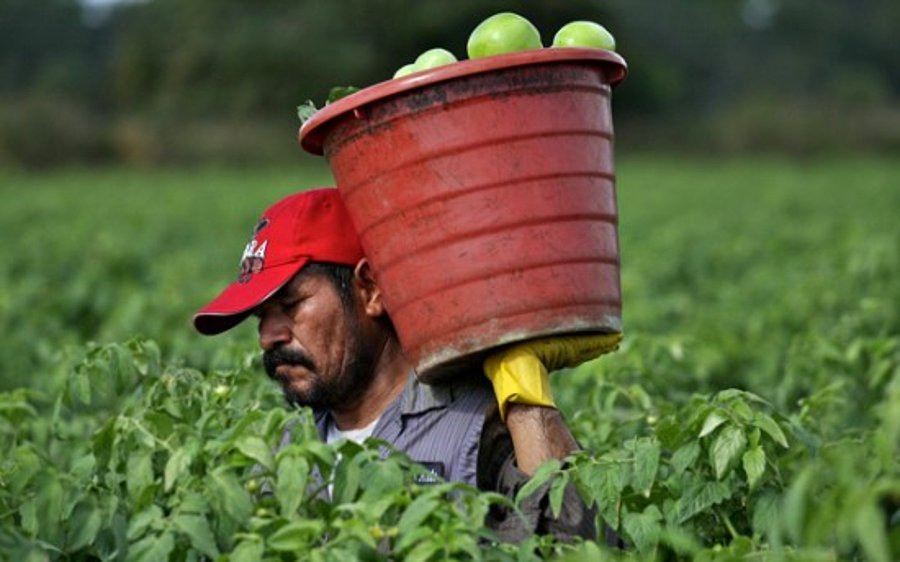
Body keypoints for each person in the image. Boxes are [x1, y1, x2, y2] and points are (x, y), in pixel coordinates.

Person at [193, 187, 608, 543]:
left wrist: (527, 398)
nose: (269, 336)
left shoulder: (474, 425)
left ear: (370, 289)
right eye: (260, 317)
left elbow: (580, 546)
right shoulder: (276, 453)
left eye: (290, 306)